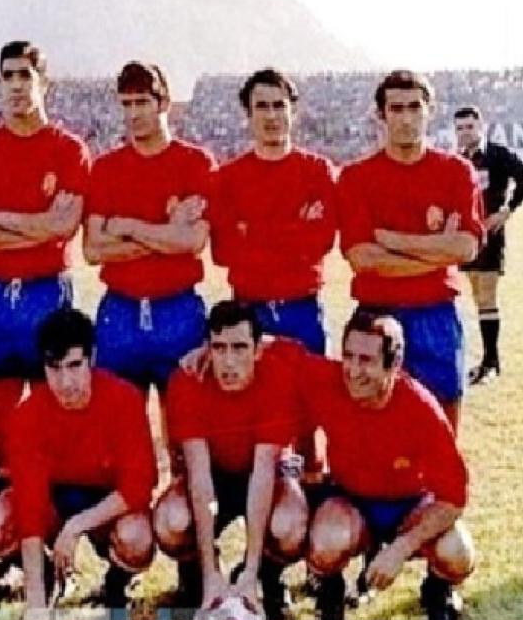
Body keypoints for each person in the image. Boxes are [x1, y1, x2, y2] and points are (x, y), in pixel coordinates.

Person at [0, 40, 90, 471]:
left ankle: (49, 518)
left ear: (43, 83)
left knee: (57, 413)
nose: (16, 86)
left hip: (47, 290)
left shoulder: (68, 150)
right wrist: (36, 224)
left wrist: (0, 219)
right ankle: (11, 520)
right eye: (7, 76)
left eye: (24, 76)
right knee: (1, 427)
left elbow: (62, 228)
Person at [0, 309, 157, 620]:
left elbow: (138, 486)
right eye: (54, 368)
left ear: (92, 358)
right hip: (54, 501)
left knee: (136, 536)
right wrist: (35, 609)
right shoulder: (28, 416)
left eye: (75, 366)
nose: (65, 381)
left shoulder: (124, 400)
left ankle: (117, 581)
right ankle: (45, 579)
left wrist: (78, 526)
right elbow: (30, 510)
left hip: (106, 502)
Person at [301, 313, 474, 620]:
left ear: (394, 365)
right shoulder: (328, 379)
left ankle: (437, 591)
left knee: (457, 553)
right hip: (350, 499)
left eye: (366, 360)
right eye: (348, 356)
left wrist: (403, 546)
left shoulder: (421, 409)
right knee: (326, 542)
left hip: (410, 504)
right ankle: (331, 596)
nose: (353, 370)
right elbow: (280, 355)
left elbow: (454, 496)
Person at [337, 70, 484, 431]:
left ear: (429, 111)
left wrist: (394, 240)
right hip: (376, 315)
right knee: (373, 423)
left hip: (435, 313)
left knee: (442, 421)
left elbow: (465, 247)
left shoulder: (455, 172)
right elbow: (363, 259)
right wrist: (437, 255)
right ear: (381, 115)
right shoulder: (357, 177)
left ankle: (442, 490)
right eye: (396, 108)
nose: (406, 118)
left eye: (414, 108)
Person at [154, 301, 308, 620]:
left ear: (257, 350)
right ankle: (201, 577)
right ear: (207, 348)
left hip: (264, 473)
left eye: (239, 348)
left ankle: (262, 577)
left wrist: (250, 568)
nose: (228, 361)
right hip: (214, 474)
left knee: (290, 525)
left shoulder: (276, 375)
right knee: (170, 520)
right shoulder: (188, 380)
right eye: (219, 348)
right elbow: (200, 477)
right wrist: (211, 570)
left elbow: (263, 473)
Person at [84, 61, 214, 411]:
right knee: (121, 430)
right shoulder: (106, 168)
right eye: (126, 104)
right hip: (120, 310)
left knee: (185, 430)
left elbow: (193, 242)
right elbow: (93, 249)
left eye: (142, 102)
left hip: (178, 309)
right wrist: (165, 233)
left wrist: (127, 227)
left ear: (164, 103)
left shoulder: (195, 163)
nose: (133, 113)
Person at [210, 68, 336, 355]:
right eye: (262, 106)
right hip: (248, 310)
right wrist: (294, 228)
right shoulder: (228, 177)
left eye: (279, 105)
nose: (271, 116)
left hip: (303, 310)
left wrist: (251, 230)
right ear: (248, 114)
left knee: (308, 396)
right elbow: (224, 252)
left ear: (294, 111)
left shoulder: (316, 171)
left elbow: (320, 242)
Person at [453, 105, 523, 384]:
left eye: (469, 127)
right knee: (477, 296)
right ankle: (489, 359)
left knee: (487, 296)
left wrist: (506, 210)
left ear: (481, 127)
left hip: (490, 235)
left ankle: (491, 361)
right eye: (460, 128)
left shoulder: (497, 155)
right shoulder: (458, 160)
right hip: (467, 236)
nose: (465, 133)